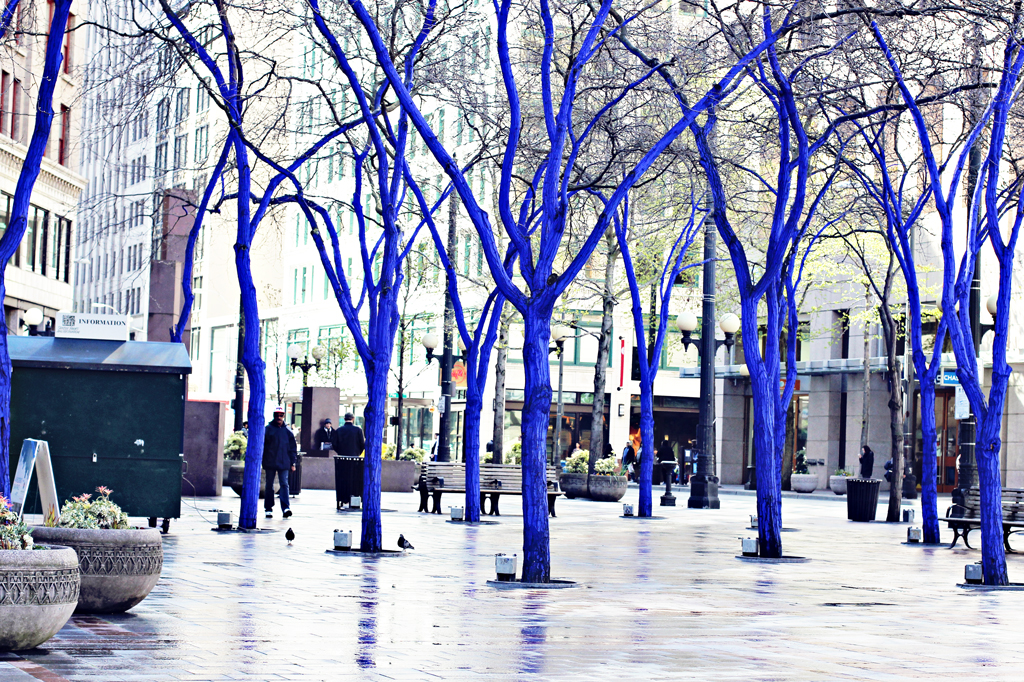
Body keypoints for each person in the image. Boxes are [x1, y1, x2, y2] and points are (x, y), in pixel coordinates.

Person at [263, 407, 297, 519]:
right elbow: (262, 446)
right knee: (269, 485)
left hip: (284, 462)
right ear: (274, 416)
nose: (279, 417)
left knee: (284, 485)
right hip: (270, 461)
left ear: (283, 416)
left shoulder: (288, 432)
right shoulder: (267, 429)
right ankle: (268, 508)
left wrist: (293, 463)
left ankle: (286, 508)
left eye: (281, 415)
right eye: (277, 415)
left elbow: (293, 449)